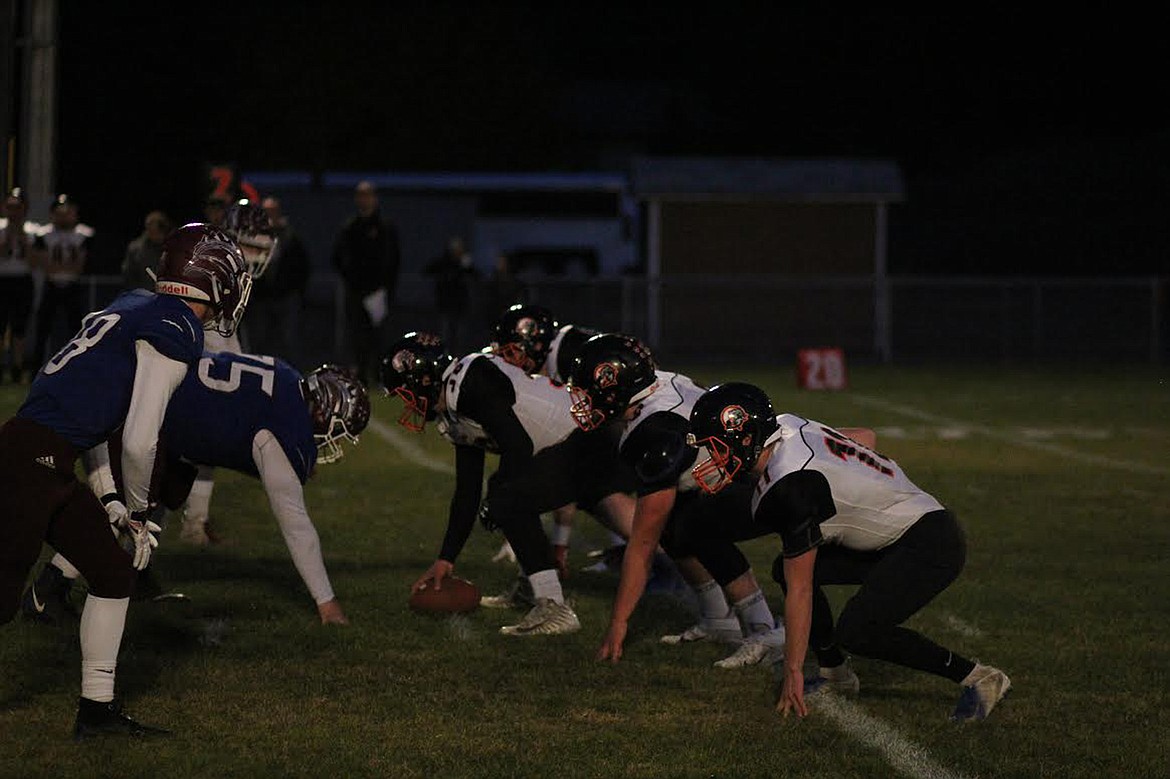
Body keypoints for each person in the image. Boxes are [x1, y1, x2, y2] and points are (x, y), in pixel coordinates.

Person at [0, 222, 251, 739]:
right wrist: (140, 513)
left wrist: (111, 498)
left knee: (113, 575)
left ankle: (96, 712)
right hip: (29, 463)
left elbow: (91, 420)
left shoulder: (135, 304)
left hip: (42, 457)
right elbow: (140, 439)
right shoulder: (177, 327)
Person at [687, 382, 1011, 721]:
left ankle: (981, 677)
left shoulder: (790, 487)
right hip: (903, 531)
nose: (712, 458)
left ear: (746, 437)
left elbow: (801, 590)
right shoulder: (786, 425)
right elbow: (864, 436)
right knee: (786, 569)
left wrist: (793, 671)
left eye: (716, 447)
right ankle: (836, 675)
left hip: (928, 543)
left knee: (859, 630)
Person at [23, 359, 368, 626]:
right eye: (339, 431)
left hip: (162, 409)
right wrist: (327, 602)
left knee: (162, 491)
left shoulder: (287, 377)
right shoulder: (282, 428)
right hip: (141, 410)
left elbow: (217, 416)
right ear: (323, 413)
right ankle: (48, 589)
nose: (333, 442)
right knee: (124, 509)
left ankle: (135, 573)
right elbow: (296, 525)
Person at [382, 332, 633, 636]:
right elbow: (467, 490)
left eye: (405, 391)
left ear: (423, 377)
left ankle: (553, 606)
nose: (406, 401)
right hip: (573, 441)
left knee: (507, 499)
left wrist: (499, 498)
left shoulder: (472, 380)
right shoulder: (454, 403)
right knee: (505, 496)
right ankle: (535, 586)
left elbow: (518, 445)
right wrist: (445, 559)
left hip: (585, 437)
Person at [566, 333, 786, 669]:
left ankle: (764, 628)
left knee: (692, 525)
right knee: (679, 522)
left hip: (770, 484)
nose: (585, 400)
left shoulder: (655, 433)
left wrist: (618, 623)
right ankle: (718, 619)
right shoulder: (660, 384)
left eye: (589, 390)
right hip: (736, 475)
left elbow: (642, 543)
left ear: (615, 387)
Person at [332, 181, 400, 384]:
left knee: (379, 337)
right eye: (361, 195)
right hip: (356, 291)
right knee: (357, 336)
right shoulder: (350, 227)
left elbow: (393, 260)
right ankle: (361, 375)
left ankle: (380, 376)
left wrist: (386, 288)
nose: (364, 199)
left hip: (378, 292)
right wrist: (352, 280)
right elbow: (338, 257)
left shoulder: (385, 227)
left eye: (367, 195)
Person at [31, 194, 93, 369]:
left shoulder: (83, 234)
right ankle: (36, 367)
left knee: (78, 328)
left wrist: (63, 268)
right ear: (52, 214)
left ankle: (78, 365)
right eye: (60, 213)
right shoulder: (44, 234)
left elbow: (80, 266)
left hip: (73, 285)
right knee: (43, 327)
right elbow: (46, 265)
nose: (63, 217)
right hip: (51, 284)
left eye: (67, 213)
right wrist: (62, 268)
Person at [246, 196, 311, 363]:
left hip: (285, 297)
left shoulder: (290, 236)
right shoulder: (255, 237)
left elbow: (302, 266)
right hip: (262, 298)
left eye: (272, 211)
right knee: (260, 341)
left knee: (289, 341)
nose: (270, 215)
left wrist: (295, 290)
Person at [0, 187, 37, 382]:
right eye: (10, 207)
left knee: (19, 327)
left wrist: (23, 239)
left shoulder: (32, 231)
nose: (13, 212)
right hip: (2, 279)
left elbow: (33, 262)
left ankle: (17, 366)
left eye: (17, 207)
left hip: (22, 280)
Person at [423, 236, 480, 355]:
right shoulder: (444, 262)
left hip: (460, 306)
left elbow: (476, 276)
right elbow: (428, 270)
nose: (457, 251)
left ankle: (458, 359)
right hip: (445, 305)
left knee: (460, 337)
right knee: (445, 336)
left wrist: (468, 266)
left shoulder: (464, 264)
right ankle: (444, 357)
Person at [122, 210, 174, 291]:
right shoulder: (137, 249)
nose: (153, 235)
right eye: (150, 231)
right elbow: (128, 274)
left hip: (171, 294)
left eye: (156, 232)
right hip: (145, 295)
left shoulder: (175, 246)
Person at [481, 252, 528, 331]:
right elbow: (489, 299)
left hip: (511, 315)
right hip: (496, 315)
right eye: (499, 262)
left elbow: (521, 297)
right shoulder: (493, 283)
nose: (501, 264)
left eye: (503, 262)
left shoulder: (515, 283)